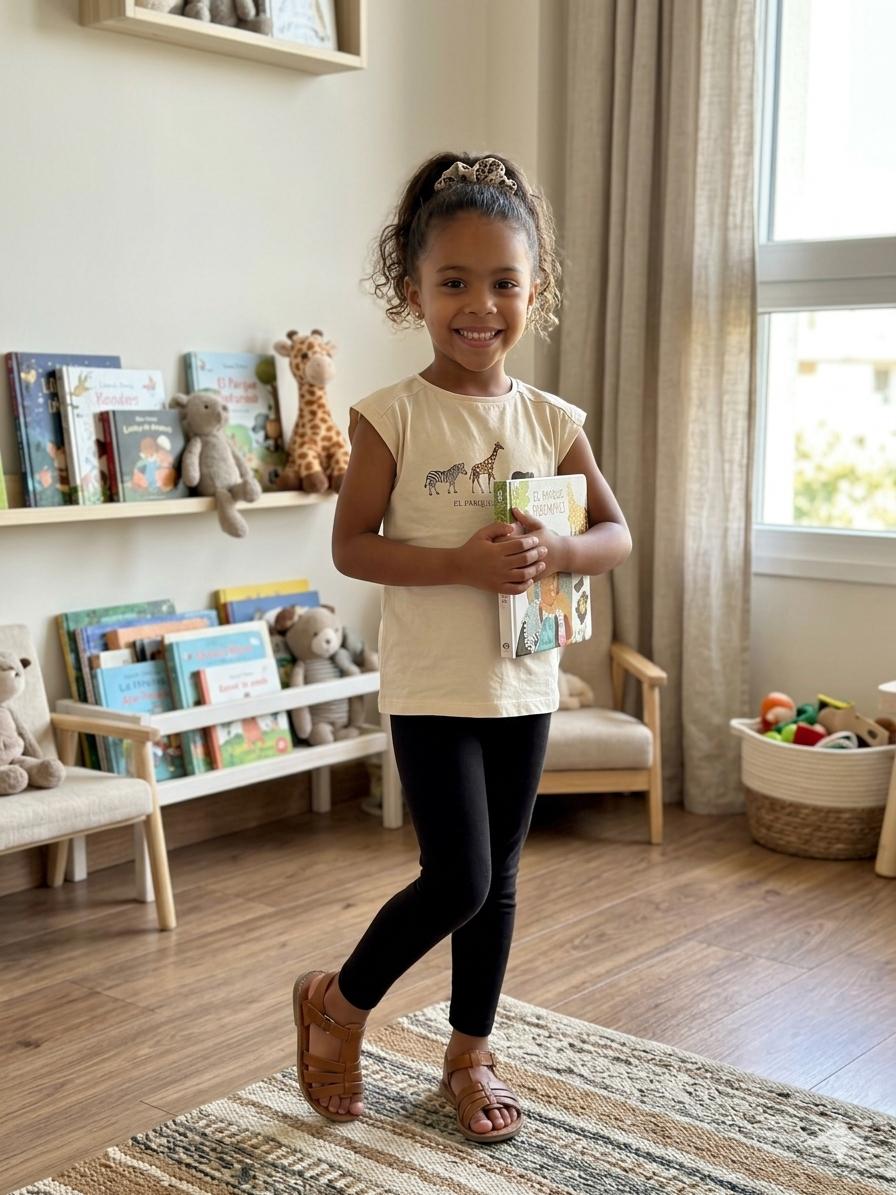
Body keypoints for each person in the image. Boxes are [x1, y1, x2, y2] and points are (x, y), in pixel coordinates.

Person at [293, 152, 632, 1144]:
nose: (477, 305)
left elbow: (614, 535)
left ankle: (468, 1052)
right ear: (412, 291)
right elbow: (350, 544)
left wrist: (558, 547)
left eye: (501, 283)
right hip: (434, 686)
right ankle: (339, 1003)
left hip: (524, 680)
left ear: (536, 293)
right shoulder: (389, 416)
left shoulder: (549, 419)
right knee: (460, 877)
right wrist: (460, 566)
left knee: (504, 881)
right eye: (452, 282)